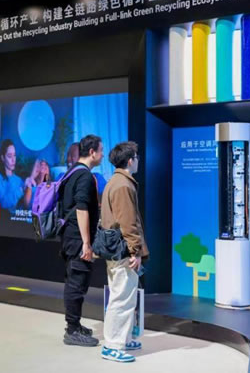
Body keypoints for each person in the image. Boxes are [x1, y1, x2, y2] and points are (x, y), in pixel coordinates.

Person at [100, 141, 149, 363]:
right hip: (123, 252)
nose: (138, 160)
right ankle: (112, 345)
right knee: (121, 299)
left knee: (123, 296)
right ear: (130, 161)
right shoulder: (123, 185)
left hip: (116, 250)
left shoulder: (115, 182)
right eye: (136, 157)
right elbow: (128, 223)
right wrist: (135, 251)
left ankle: (124, 338)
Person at [60, 135, 104, 347]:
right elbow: (81, 208)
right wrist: (86, 243)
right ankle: (72, 330)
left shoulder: (72, 172)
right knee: (77, 283)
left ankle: (75, 325)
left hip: (69, 237)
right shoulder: (85, 176)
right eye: (101, 151)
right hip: (77, 239)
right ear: (92, 152)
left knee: (75, 281)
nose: (102, 155)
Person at [0, 139, 24, 213]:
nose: (13, 160)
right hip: (0, 217)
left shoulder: (19, 180)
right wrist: (21, 190)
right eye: (9, 156)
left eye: (14, 155)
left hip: (16, 218)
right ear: (3, 158)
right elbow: (4, 203)